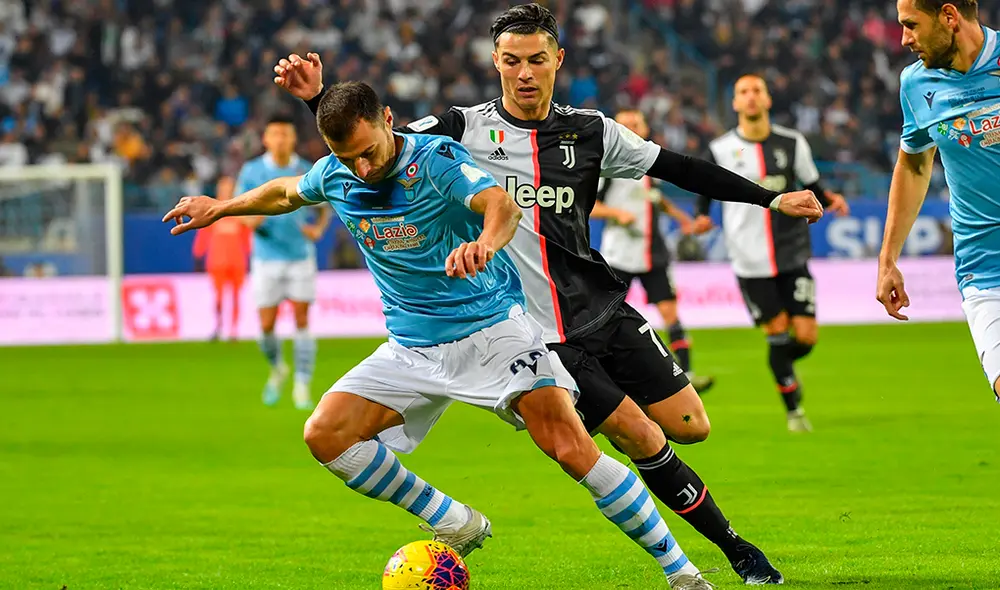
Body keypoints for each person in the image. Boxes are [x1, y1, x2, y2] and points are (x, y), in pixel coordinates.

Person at [273, 4, 825, 583]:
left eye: (537, 59)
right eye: (512, 61)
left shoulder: (591, 130)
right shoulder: (459, 130)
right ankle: (733, 553)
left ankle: (704, 547)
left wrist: (770, 198)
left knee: (689, 425)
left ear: (558, 59)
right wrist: (318, 100)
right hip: (537, 334)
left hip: (600, 307)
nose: (525, 73)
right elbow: (371, 143)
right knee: (636, 434)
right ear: (496, 63)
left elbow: (678, 167)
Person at [164, 81, 715, 590]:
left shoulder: (436, 160)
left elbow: (497, 203)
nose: (359, 166)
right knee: (325, 435)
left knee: (571, 449)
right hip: (411, 347)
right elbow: (287, 192)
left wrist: (487, 245)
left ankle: (682, 573)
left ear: (387, 119)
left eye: (367, 151)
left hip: (495, 332)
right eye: (345, 156)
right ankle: (456, 522)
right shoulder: (337, 172)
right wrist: (221, 208)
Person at [692, 74, 850, 432]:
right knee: (778, 331)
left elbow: (810, 183)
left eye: (756, 91)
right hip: (749, 260)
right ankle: (794, 410)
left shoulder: (792, 143)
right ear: (734, 103)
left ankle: (780, 365)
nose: (750, 98)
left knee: (806, 336)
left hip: (792, 252)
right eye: (743, 92)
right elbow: (703, 185)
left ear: (767, 100)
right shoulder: (719, 149)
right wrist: (702, 216)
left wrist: (829, 199)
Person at [879, 0, 1000, 402]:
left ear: (949, 17)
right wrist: (888, 259)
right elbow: (913, 167)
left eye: (911, 25)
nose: (904, 38)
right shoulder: (916, 84)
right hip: (985, 270)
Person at [593, 108, 714, 394]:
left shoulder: (651, 165)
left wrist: (684, 220)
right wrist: (616, 213)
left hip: (653, 253)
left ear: (646, 129)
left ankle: (687, 374)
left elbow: (658, 200)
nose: (633, 128)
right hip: (619, 254)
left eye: (638, 123)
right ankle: (601, 374)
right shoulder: (606, 168)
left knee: (671, 312)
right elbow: (589, 206)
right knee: (605, 315)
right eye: (627, 125)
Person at [236, 115, 332, 410]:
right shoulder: (252, 171)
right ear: (266, 139)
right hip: (266, 258)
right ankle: (278, 368)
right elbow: (239, 208)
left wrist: (317, 230)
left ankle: (302, 383)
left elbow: (325, 206)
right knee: (266, 324)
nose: (280, 139)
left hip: (300, 256)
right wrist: (250, 221)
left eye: (285, 134)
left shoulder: (305, 169)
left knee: (302, 320)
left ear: (293, 138)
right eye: (275, 133)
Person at [192, 176, 252, 341]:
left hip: (237, 261)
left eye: (229, 188)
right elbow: (203, 235)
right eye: (223, 188)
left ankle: (233, 330)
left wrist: (250, 257)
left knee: (235, 296)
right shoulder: (212, 211)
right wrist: (198, 255)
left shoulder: (241, 212)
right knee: (218, 297)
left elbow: (248, 238)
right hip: (217, 261)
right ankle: (218, 326)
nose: (226, 191)